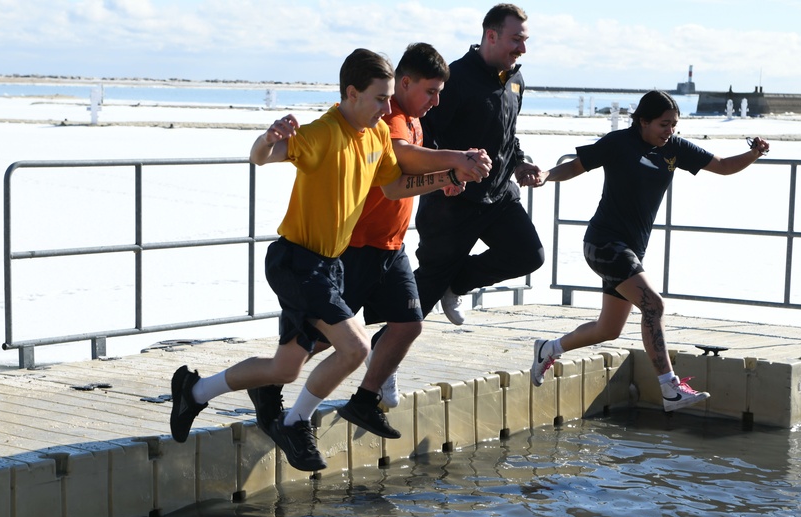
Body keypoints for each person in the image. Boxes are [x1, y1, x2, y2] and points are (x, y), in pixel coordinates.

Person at [168, 48, 485, 471]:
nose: (387, 108)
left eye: (389, 98)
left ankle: (193, 391)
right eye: (379, 98)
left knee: (284, 369)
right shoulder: (323, 132)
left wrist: (448, 176)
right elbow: (260, 157)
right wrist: (267, 139)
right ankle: (295, 423)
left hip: (330, 266)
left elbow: (394, 188)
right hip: (296, 261)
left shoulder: (376, 134)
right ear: (351, 94)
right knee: (354, 347)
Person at [248, 42, 492, 442]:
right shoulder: (386, 118)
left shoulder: (406, 120)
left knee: (407, 324)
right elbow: (404, 156)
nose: (435, 101)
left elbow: (398, 183)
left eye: (440, 93)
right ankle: (271, 386)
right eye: (430, 91)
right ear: (405, 83)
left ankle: (363, 399)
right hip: (357, 245)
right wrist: (455, 160)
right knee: (323, 340)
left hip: (392, 245)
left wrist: (448, 177)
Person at [529, 90, 770, 411]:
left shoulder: (675, 148)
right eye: (663, 124)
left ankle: (548, 348)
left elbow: (724, 166)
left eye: (674, 125)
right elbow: (575, 166)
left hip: (631, 250)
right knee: (653, 305)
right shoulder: (619, 142)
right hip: (604, 243)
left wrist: (754, 153)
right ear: (643, 121)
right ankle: (670, 387)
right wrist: (546, 175)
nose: (669, 130)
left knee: (608, 329)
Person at [413, 3, 545, 326]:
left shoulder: (516, 80)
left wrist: (519, 163)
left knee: (528, 254)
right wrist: (446, 175)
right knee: (422, 296)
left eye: (525, 40)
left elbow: (506, 133)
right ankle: (370, 351)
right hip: (453, 201)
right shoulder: (455, 78)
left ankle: (457, 284)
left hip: (498, 195)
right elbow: (426, 135)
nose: (523, 49)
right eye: (516, 40)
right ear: (491, 35)